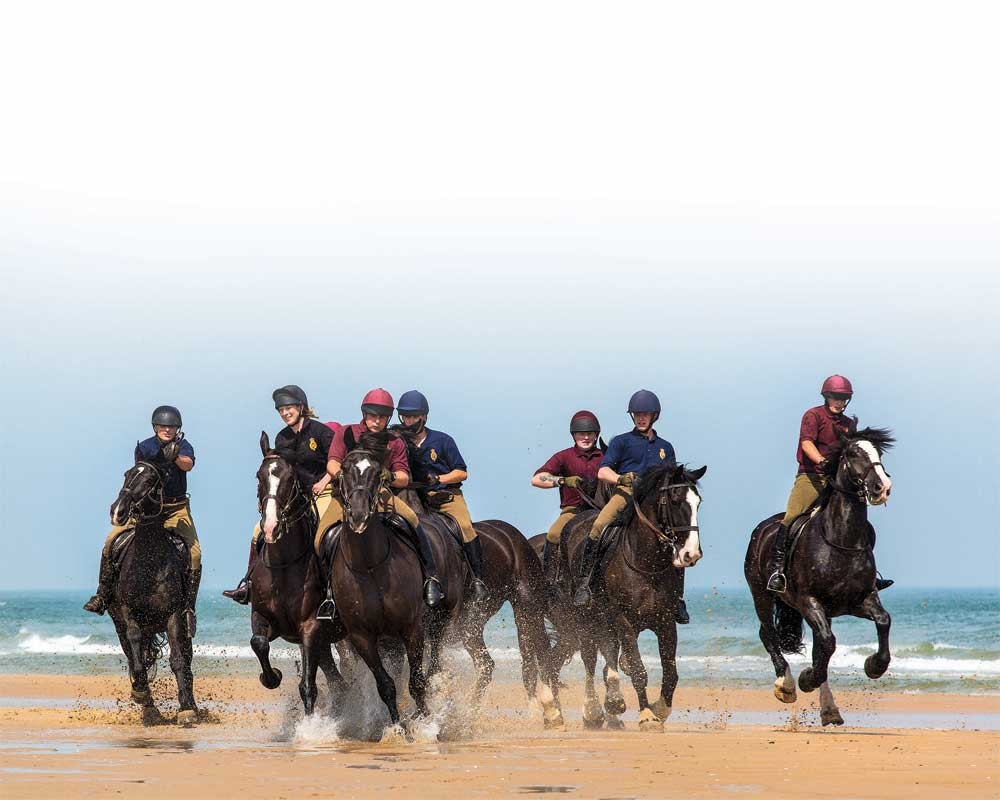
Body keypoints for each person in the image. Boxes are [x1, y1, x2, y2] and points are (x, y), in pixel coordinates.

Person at [314, 389, 444, 614]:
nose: (377, 421)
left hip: (381, 496)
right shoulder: (347, 433)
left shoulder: (395, 442)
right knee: (321, 538)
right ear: (364, 413)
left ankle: (430, 578)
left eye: (383, 417)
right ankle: (327, 593)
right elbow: (332, 463)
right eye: (373, 415)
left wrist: (390, 476)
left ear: (389, 418)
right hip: (345, 496)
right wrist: (344, 477)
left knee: (413, 521)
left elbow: (403, 476)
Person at [767, 375, 894, 593]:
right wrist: (822, 461)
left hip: (837, 481)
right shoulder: (813, 415)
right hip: (811, 476)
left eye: (844, 398)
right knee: (791, 518)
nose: (839, 402)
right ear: (826, 396)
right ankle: (778, 571)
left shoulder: (848, 425)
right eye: (835, 397)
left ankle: (870, 575)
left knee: (862, 525)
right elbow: (806, 443)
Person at [83, 406, 201, 636]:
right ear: (155, 427)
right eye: (163, 426)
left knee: (194, 553)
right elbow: (141, 472)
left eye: (172, 427)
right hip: (146, 510)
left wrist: (174, 454)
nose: (168, 430)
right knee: (110, 542)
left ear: (178, 429)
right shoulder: (145, 447)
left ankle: (187, 608)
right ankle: (103, 593)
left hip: (176, 509)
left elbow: (188, 464)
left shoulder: (184, 445)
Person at [573, 390, 688, 622]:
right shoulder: (621, 442)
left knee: (679, 538)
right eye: (637, 414)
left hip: (655, 501)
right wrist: (621, 479)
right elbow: (603, 471)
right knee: (598, 526)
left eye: (645, 414)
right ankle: (584, 585)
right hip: (626, 493)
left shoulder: (666, 446)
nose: (640, 418)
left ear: (654, 416)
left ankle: (677, 598)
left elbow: (672, 477)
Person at [223, 385, 335, 604]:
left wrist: (323, 481)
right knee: (259, 531)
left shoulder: (321, 432)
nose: (285, 413)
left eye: (288, 408)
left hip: (324, 492)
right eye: (281, 410)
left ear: (301, 407)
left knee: (325, 532)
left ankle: (332, 588)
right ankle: (248, 584)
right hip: (295, 498)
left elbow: (337, 462)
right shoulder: (282, 438)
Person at [396, 390, 487, 601]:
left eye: (413, 416)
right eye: (405, 416)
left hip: (447, 498)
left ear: (423, 417)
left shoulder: (443, 440)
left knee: (464, 526)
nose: (408, 421)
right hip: (419, 500)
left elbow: (462, 472)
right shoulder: (402, 444)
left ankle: (477, 579)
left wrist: (439, 479)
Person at [531, 410, 603, 586]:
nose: (585, 437)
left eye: (590, 433)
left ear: (596, 435)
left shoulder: (605, 457)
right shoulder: (563, 456)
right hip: (573, 511)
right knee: (554, 534)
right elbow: (536, 479)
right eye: (581, 433)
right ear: (574, 435)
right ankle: (550, 579)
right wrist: (562, 480)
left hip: (601, 511)